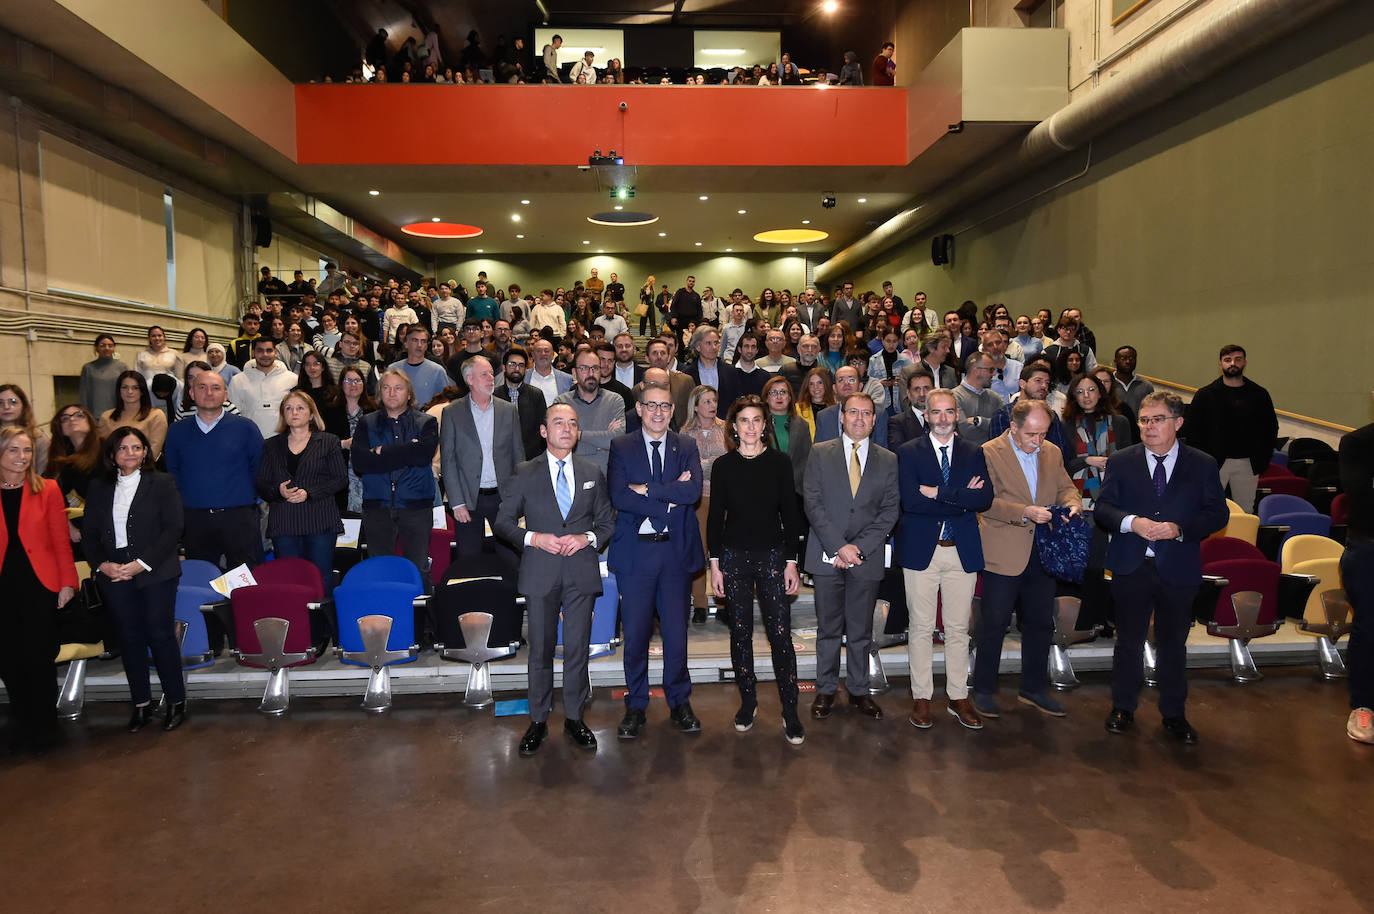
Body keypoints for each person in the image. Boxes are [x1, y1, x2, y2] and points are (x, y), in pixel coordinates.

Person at [1095, 391, 1228, 744]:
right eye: (1144, 420)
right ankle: (1122, 707)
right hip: (1131, 565)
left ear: (1178, 423)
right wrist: (1131, 522)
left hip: (1178, 567)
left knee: (1173, 645)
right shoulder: (1121, 461)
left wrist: (1180, 528)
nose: (1149, 426)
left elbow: (1218, 514)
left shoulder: (1202, 463)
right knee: (1129, 642)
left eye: (1157, 420)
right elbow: (1104, 509)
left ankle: (1174, 714)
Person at [495, 403, 615, 755]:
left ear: (578, 433)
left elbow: (607, 523)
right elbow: (502, 523)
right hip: (540, 572)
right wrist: (535, 538)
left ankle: (575, 718)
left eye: (573, 424)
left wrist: (587, 538)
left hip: (580, 572)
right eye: (558, 422)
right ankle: (537, 720)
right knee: (541, 651)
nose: (567, 428)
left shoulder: (592, 470)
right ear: (544, 431)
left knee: (577, 650)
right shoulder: (524, 472)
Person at [973, 399, 1083, 720]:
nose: (1038, 441)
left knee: (1039, 623)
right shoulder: (989, 452)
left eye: (1043, 434)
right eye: (1031, 435)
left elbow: (1066, 488)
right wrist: (1024, 512)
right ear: (1013, 428)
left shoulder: (1052, 452)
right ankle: (983, 689)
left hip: (1043, 552)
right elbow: (983, 502)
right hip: (1003, 553)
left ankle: (1033, 688)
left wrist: (1072, 504)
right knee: (994, 624)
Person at [607, 380, 704, 739]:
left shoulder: (686, 445)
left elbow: (692, 491)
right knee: (634, 634)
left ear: (673, 410)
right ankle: (636, 704)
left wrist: (646, 490)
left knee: (677, 633)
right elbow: (618, 496)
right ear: (640, 409)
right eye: (651, 405)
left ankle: (679, 701)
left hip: (674, 554)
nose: (658, 412)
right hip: (636, 556)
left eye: (664, 406)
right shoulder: (622, 446)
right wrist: (669, 498)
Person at [708, 395, 805, 744]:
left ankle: (790, 710)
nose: (750, 426)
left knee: (780, 635)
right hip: (733, 558)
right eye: (744, 420)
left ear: (766, 425)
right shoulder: (723, 466)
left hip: (773, 558)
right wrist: (715, 565)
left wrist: (792, 561)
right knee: (740, 635)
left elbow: (791, 516)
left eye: (756, 420)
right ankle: (748, 702)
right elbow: (715, 518)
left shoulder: (780, 463)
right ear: (734, 426)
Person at [895, 388, 993, 730]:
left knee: (957, 629)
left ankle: (957, 696)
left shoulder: (973, 452)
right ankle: (922, 697)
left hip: (961, 550)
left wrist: (939, 492)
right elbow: (910, 502)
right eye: (936, 412)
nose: (942, 418)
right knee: (921, 627)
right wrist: (960, 497)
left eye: (949, 412)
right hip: (922, 549)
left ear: (957, 415)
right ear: (926, 416)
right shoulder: (908, 452)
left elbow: (984, 499)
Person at [804, 392, 901, 721]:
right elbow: (813, 504)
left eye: (867, 413)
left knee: (860, 631)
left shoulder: (888, 459)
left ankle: (859, 690)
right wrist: (838, 546)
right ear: (841, 417)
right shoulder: (819, 454)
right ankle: (826, 690)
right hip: (826, 555)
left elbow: (889, 512)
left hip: (867, 556)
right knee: (828, 630)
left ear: (875, 420)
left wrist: (857, 549)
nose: (860, 418)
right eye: (853, 412)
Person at [83, 426, 186, 732]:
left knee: (160, 635)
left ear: (146, 453)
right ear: (112, 454)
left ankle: (175, 702)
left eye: (137, 447)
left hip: (156, 571)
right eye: (124, 448)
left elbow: (173, 529)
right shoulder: (99, 486)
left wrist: (141, 564)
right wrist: (103, 565)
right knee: (129, 638)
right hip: (114, 574)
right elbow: (89, 535)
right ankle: (141, 703)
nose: (131, 453)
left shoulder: (162, 482)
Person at [0, 426, 77, 753]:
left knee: (39, 657)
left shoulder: (47, 489)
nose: (22, 457)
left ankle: (46, 725)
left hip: (40, 584)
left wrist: (67, 582)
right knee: (8, 659)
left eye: (27, 451)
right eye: (14, 450)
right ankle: (22, 721)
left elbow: (61, 541)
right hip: (4, 586)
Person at [164, 369, 263, 573]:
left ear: (225, 395)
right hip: (195, 520)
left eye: (216, 388)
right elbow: (173, 472)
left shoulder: (246, 428)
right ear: (191, 393)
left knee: (242, 578)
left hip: (239, 517)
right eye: (202, 387)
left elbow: (259, 468)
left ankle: (238, 607)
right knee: (202, 577)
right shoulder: (176, 431)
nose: (209, 393)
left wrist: (248, 502)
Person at [255, 391, 347, 608]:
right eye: (288, 408)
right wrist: (278, 491)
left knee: (320, 576)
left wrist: (309, 492)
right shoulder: (271, 445)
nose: (294, 412)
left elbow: (340, 479)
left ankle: (323, 628)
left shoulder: (328, 441)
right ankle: (296, 623)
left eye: (300, 408)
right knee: (289, 577)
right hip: (284, 522)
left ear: (311, 414)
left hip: (319, 520)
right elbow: (261, 483)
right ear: (283, 415)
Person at [351, 370, 439, 585]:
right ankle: (383, 617)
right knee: (380, 571)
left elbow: (423, 455)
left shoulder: (426, 422)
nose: (391, 393)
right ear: (380, 393)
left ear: (409, 393)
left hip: (416, 507)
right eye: (386, 388)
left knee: (418, 569)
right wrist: (408, 451)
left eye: (398, 388)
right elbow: (361, 464)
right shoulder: (366, 423)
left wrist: (381, 452)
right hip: (377, 507)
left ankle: (421, 619)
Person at [1062, 373, 1133, 631]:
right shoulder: (1066, 425)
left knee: (1114, 563)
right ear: (1073, 396)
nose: (1086, 396)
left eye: (1091, 389)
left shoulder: (1121, 422)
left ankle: (1111, 619)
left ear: (1101, 391)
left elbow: (1132, 459)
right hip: (1081, 502)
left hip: (1115, 500)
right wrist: (1087, 461)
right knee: (1090, 564)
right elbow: (1059, 466)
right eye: (1080, 392)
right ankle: (1087, 619)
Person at [441, 357, 524, 562]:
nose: (491, 378)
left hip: (503, 498)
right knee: (469, 559)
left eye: (491, 373)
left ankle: (511, 595)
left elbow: (518, 457)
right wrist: (457, 503)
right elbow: (448, 461)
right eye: (484, 374)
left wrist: (519, 498)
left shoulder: (509, 410)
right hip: (468, 500)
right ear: (469, 379)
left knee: (510, 558)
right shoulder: (452, 412)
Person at [1181, 344, 1278, 513]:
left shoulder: (1259, 394)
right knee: (1208, 509)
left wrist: (1262, 459)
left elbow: (1270, 428)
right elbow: (1192, 430)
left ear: (1245, 362)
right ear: (1220, 364)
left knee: (1245, 511)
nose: (1233, 363)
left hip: (1248, 463)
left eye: (1238, 359)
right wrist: (1203, 460)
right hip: (1213, 463)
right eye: (1228, 360)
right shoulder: (1205, 395)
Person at [1339, 406, 1374, 744]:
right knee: (1369, 629)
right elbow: (1362, 498)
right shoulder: (1358, 443)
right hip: (1368, 550)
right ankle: (1363, 707)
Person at [681, 385, 728, 623]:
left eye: (714, 400)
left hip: (726, 497)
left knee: (724, 550)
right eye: (707, 401)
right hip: (697, 498)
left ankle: (724, 603)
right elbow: (690, 468)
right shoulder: (685, 433)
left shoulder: (727, 428)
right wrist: (715, 463)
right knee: (699, 550)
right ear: (696, 406)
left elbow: (731, 463)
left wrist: (705, 464)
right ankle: (699, 604)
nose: (712, 406)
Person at [554, 348, 625, 474]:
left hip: (608, 478)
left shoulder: (615, 400)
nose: (591, 373)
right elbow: (559, 443)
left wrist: (579, 435)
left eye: (595, 368)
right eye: (584, 368)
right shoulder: (562, 403)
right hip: (573, 475)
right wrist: (601, 445)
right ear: (574, 373)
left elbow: (617, 441)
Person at [231, 337, 297, 439]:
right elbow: (233, 416)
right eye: (260, 350)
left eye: (269, 350)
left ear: (275, 353)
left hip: (284, 441)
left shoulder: (292, 379)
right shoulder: (237, 380)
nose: (265, 354)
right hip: (249, 440)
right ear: (253, 353)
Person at [97, 370, 168, 461]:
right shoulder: (106, 417)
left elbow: (153, 453)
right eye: (124, 387)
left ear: (142, 391)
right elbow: (102, 451)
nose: (129, 391)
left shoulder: (156, 416)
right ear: (119, 391)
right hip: (112, 470)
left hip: (144, 470)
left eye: (135, 388)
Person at [814, 366, 890, 448]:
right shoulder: (824, 416)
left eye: (851, 380)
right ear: (834, 388)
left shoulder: (878, 414)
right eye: (841, 380)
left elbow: (881, 451)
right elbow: (819, 453)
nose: (846, 384)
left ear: (860, 386)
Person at [761, 376, 812, 495]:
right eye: (773, 392)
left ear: (789, 397)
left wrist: (791, 481)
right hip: (764, 488)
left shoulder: (802, 425)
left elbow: (807, 459)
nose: (779, 396)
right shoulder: (758, 424)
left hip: (795, 490)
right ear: (766, 398)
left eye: (783, 392)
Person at [495, 346, 547, 460]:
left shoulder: (536, 395)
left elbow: (542, 429)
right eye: (512, 364)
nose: (517, 369)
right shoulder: (494, 395)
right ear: (504, 368)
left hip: (532, 458)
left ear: (526, 369)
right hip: (501, 458)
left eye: (521, 365)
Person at [337, 366, 374, 514]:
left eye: (357, 380)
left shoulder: (374, 410)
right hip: (340, 474)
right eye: (348, 380)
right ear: (341, 384)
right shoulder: (330, 411)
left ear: (363, 384)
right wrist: (342, 444)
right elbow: (321, 443)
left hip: (368, 474)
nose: (353, 384)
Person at [388, 324, 450, 408]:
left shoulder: (438, 371)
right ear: (406, 343)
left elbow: (444, 403)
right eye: (415, 340)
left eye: (423, 341)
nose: (419, 345)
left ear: (427, 345)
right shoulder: (393, 370)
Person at [80, 333, 128, 417]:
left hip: (117, 414)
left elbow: (127, 392)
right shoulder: (88, 368)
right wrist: (86, 414)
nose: (107, 348)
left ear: (114, 348)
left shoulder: (122, 367)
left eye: (110, 345)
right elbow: (84, 395)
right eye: (102, 345)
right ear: (97, 348)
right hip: (96, 415)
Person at [888, 367, 934, 450]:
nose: (922, 394)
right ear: (908, 394)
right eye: (917, 389)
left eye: (926, 388)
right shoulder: (897, 422)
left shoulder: (944, 418)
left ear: (934, 391)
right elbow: (899, 453)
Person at [1112, 345, 1155, 416]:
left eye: (1131, 358)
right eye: (1123, 358)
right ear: (1115, 361)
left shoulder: (1146, 386)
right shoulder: (1107, 383)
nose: (1128, 361)